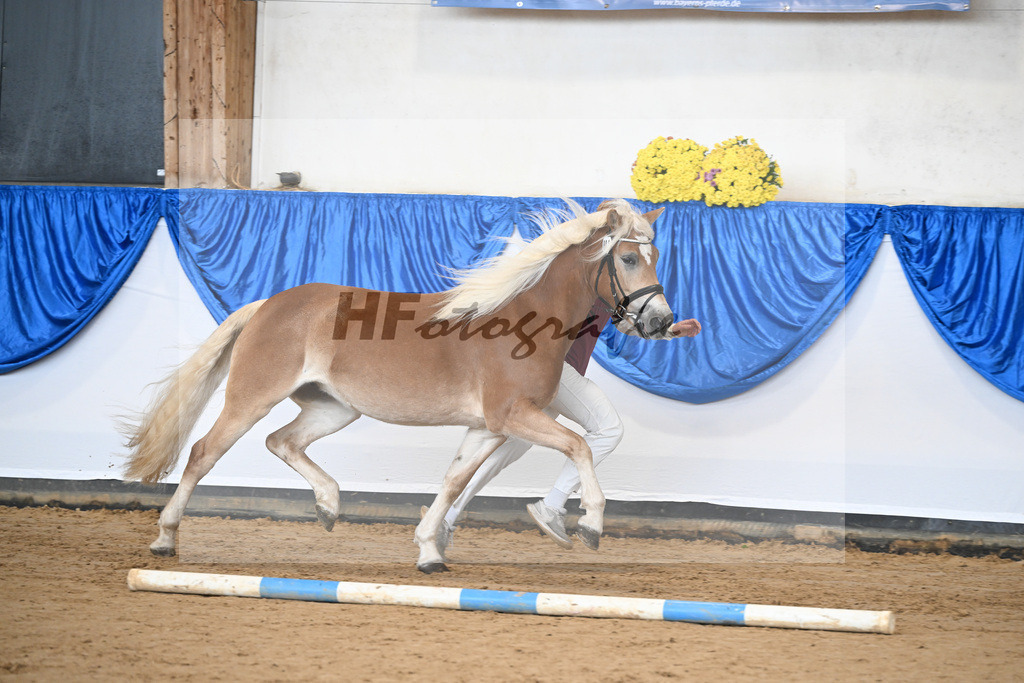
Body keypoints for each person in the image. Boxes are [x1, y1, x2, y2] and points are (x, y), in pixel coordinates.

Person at [433, 300, 700, 550]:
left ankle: (446, 515)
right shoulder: (586, 272)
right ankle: (551, 505)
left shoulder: (608, 288)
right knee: (608, 429)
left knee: (511, 446)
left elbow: (626, 322)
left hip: (548, 372)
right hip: (555, 370)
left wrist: (671, 332)